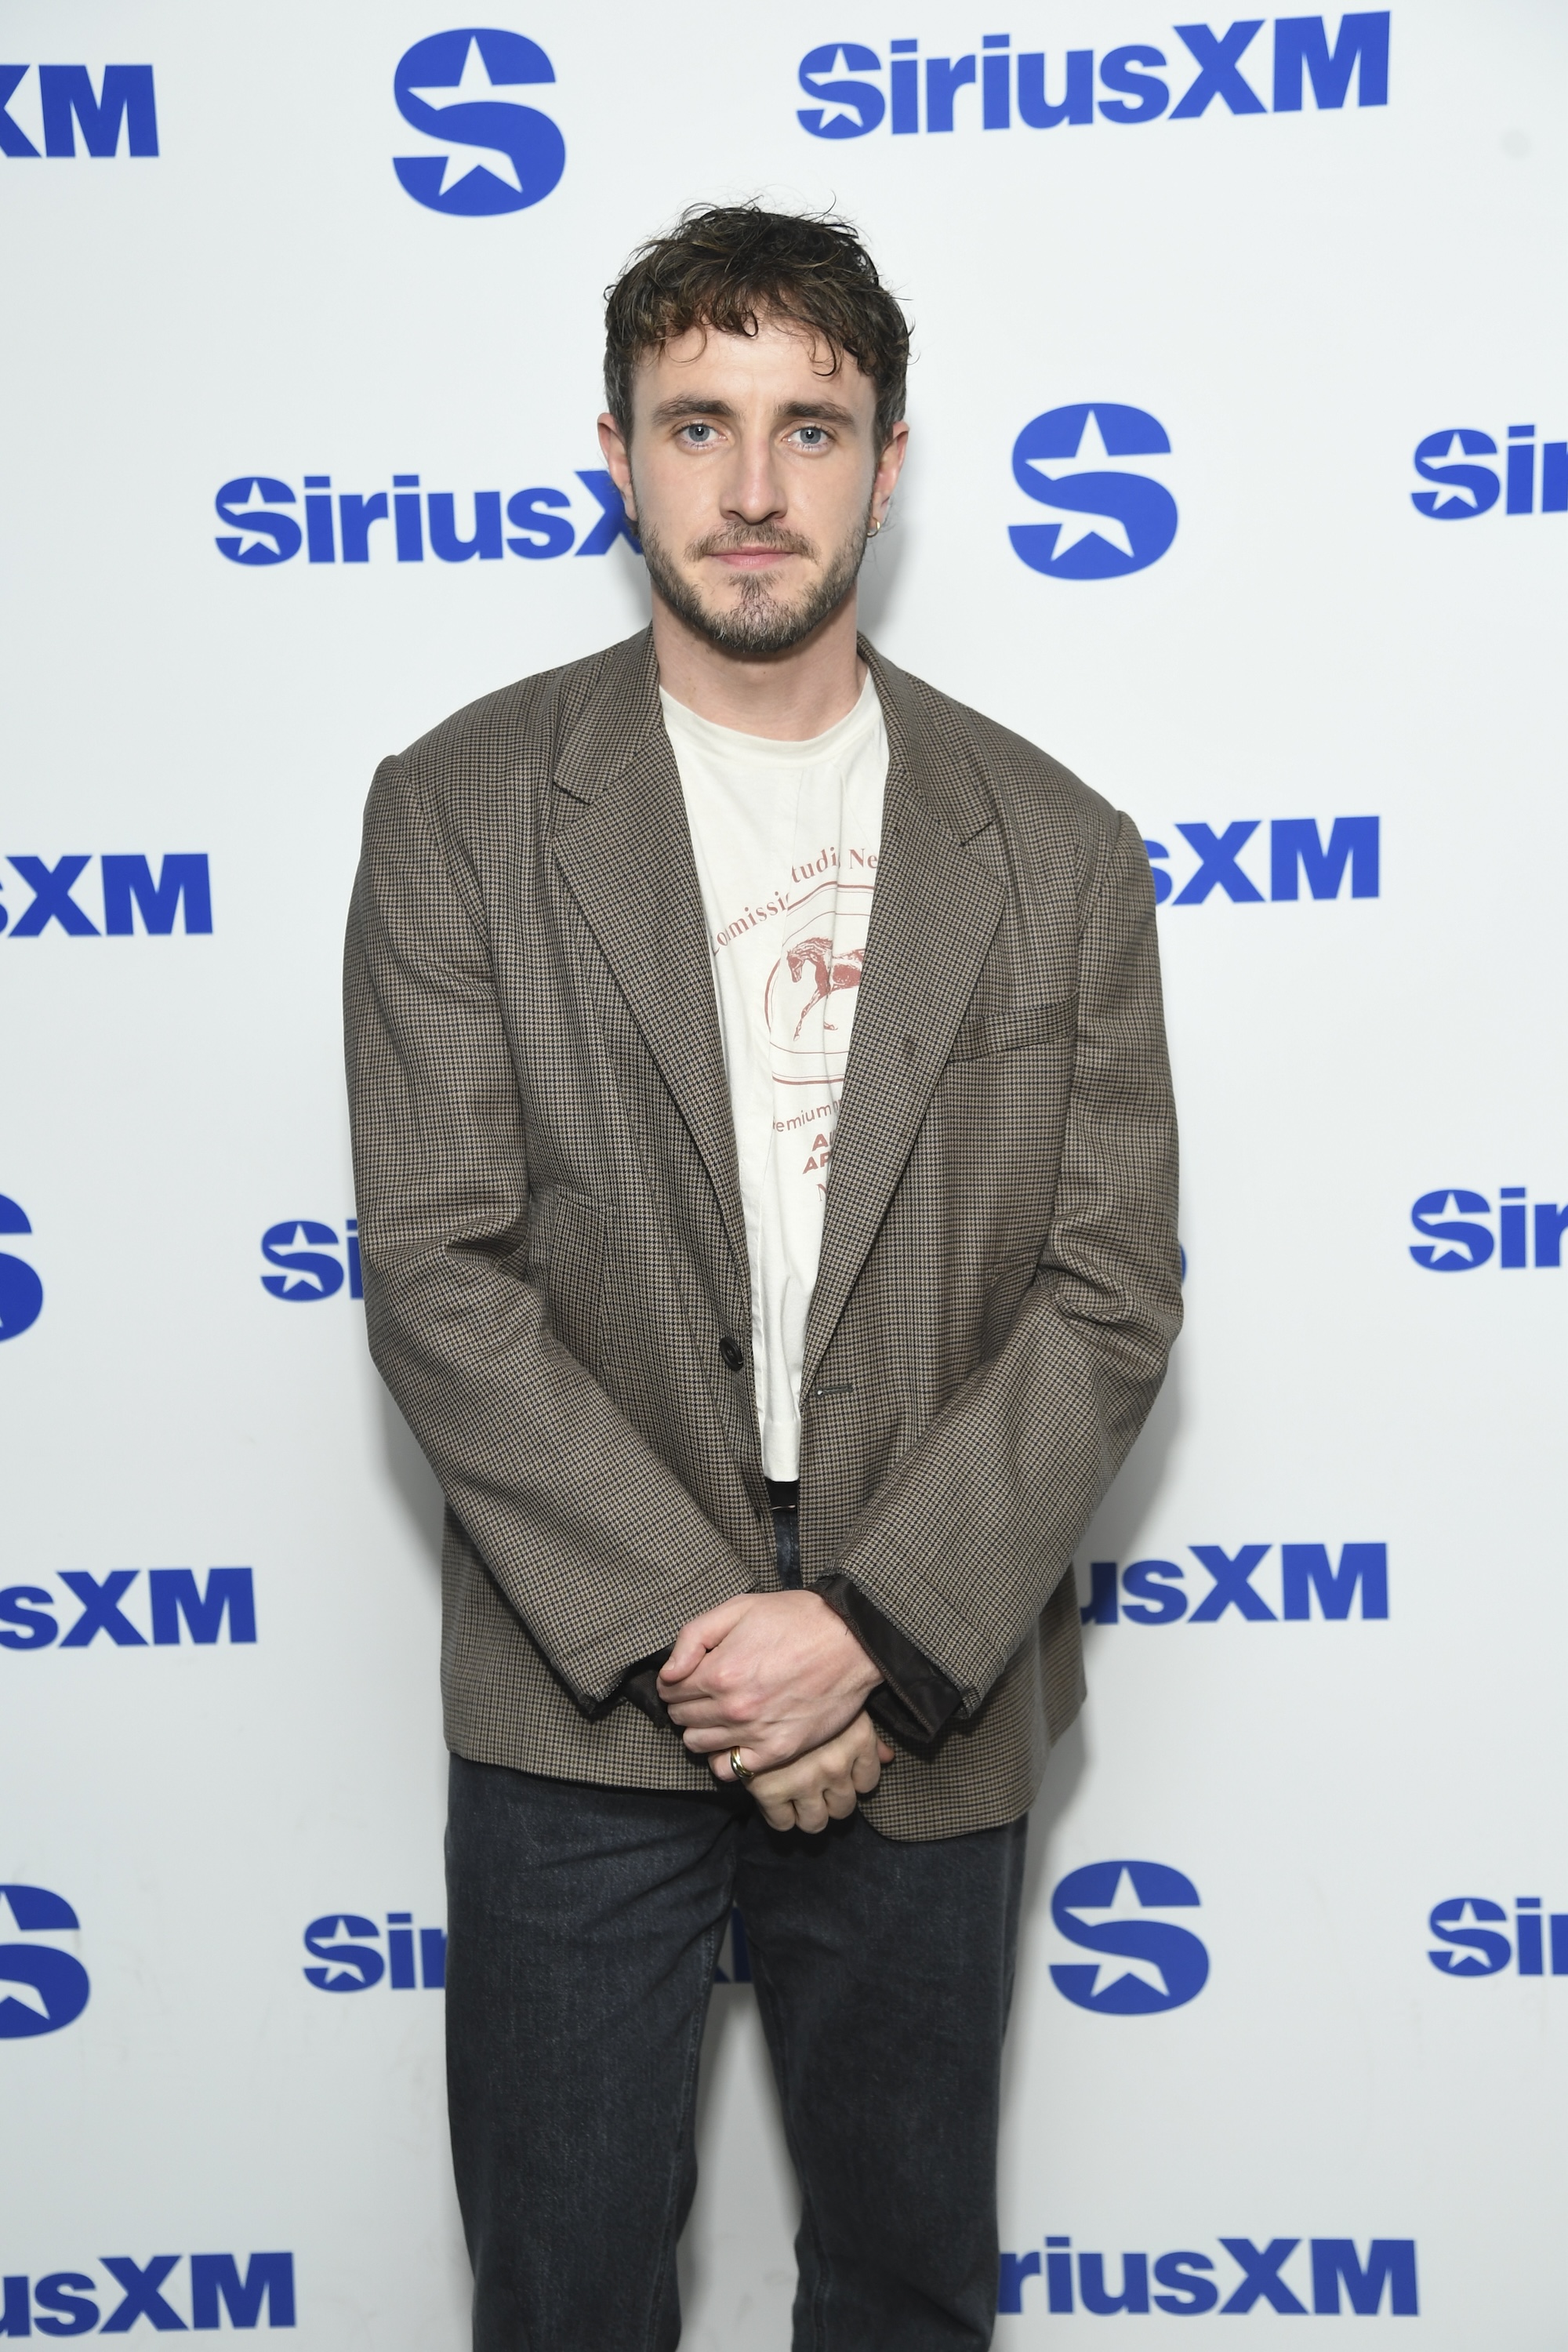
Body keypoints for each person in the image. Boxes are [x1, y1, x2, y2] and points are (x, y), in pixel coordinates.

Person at [344, 201, 1181, 2352]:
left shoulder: (1059, 846)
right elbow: (439, 1265)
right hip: (586, 1684)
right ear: (611, 453)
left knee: (907, 2293)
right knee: (562, 2294)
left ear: (888, 464)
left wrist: (879, 1633)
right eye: (694, 423)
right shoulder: (456, 813)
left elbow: (1106, 1290)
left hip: (937, 1670)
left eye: (809, 428)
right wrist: (719, 1638)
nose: (748, 487)